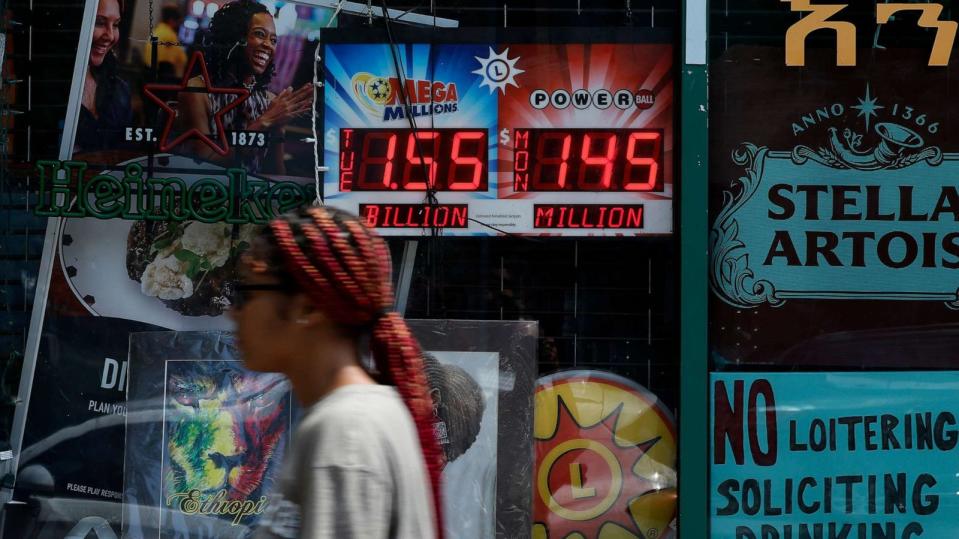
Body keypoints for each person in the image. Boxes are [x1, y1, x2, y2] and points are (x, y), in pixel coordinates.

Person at [231, 206, 443, 539]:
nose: (233, 313)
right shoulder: (354, 415)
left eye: (247, 294)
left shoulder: (346, 432)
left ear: (308, 308)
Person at [178, 0, 312, 174]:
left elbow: (276, 174)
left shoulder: (270, 101)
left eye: (273, 40)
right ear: (234, 37)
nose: (268, 45)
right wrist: (265, 122)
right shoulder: (198, 91)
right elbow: (204, 163)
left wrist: (278, 125)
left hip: (252, 199)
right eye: (259, 34)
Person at [75, 0, 132, 153]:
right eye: (100, 23)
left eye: (115, 25)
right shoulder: (45, 84)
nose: (110, 36)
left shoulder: (120, 90)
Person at [142, 5, 187, 79]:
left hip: (147, 72)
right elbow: (182, 59)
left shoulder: (157, 30)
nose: (178, 25)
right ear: (171, 21)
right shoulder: (170, 34)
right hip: (159, 76)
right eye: (178, 22)